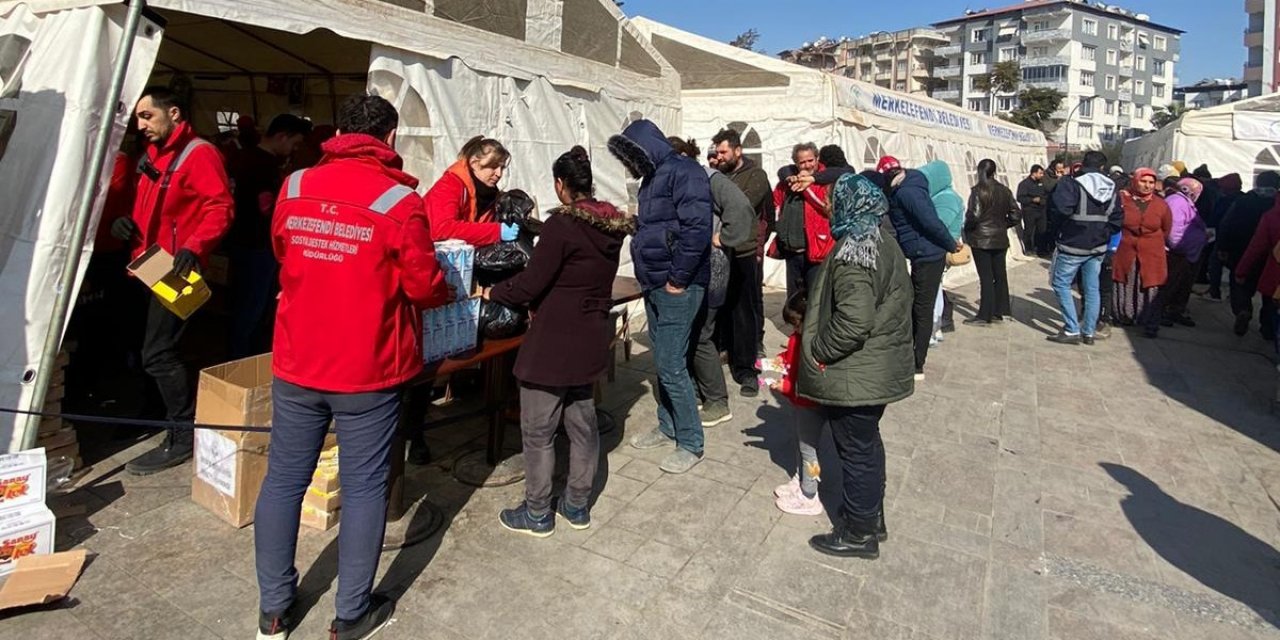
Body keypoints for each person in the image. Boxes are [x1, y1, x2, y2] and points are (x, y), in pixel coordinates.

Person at [254, 94, 452, 640]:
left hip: (297, 360)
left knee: (283, 480)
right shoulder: (399, 202)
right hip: (369, 368)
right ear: (389, 139)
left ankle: (274, 608)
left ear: (340, 132)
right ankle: (350, 612)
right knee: (365, 487)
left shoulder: (294, 186)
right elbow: (423, 285)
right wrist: (444, 287)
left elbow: (282, 251)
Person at [487, 146, 633, 537]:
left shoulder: (562, 227)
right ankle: (576, 505)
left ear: (559, 185)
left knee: (538, 431)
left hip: (553, 340)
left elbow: (532, 284)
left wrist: (494, 293)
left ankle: (537, 512)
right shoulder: (609, 227)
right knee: (582, 425)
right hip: (589, 335)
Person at [110, 87, 234, 475]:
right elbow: (145, 203)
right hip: (145, 262)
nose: (140, 124)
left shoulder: (199, 154)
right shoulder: (152, 155)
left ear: (174, 113)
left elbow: (221, 207)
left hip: (175, 269)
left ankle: (182, 434)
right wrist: (123, 222)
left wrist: (196, 247)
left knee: (159, 352)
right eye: (138, 118)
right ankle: (152, 413)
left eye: (147, 116)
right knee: (144, 346)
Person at [797, 174, 914, 559]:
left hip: (856, 372)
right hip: (874, 368)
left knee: (856, 450)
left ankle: (860, 533)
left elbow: (854, 321)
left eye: (834, 200)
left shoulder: (855, 251)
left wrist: (818, 352)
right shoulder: (882, 240)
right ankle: (869, 519)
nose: (830, 206)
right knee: (866, 444)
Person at [610, 119, 712, 474]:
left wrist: (678, 279)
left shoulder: (686, 172)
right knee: (664, 361)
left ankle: (690, 441)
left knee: (671, 365)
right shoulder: (652, 179)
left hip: (677, 284)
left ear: (647, 147)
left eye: (632, 155)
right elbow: (661, 225)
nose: (630, 165)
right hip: (655, 281)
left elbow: (698, 228)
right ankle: (668, 425)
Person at [669, 137, 753, 428]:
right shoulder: (682, 180)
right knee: (693, 330)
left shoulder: (709, 178)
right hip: (691, 267)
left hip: (711, 266)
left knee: (703, 331)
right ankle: (697, 391)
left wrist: (724, 238)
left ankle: (717, 401)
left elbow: (741, 208)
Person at [225, 113, 313, 359]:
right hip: (258, 244)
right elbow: (268, 209)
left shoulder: (241, 158)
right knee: (252, 309)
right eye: (294, 143)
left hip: (239, 240)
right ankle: (243, 361)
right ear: (282, 136)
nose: (294, 150)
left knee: (242, 305)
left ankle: (240, 356)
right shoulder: (264, 165)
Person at [878, 155, 960, 380]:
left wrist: (950, 244)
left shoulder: (907, 192)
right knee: (918, 303)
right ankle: (914, 352)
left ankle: (916, 363)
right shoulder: (910, 186)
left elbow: (930, 222)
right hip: (922, 252)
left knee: (922, 307)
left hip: (927, 253)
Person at [713, 128, 773, 394]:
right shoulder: (717, 174)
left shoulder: (755, 175)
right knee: (719, 307)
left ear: (738, 150)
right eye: (717, 152)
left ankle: (746, 368)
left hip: (743, 251)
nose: (720, 156)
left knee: (744, 312)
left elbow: (740, 207)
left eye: (724, 151)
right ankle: (723, 349)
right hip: (718, 254)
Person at [1046, 150, 1122, 346]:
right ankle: (1088, 331)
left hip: (1072, 244)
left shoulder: (1071, 184)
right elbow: (1117, 220)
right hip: (1098, 246)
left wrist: (1058, 233)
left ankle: (1071, 329)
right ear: (1103, 167)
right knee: (1092, 288)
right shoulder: (1112, 188)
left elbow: (1060, 211)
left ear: (1082, 164)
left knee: (1060, 284)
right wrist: (1102, 233)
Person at [770, 292, 824, 516]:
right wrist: (780, 360)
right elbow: (790, 354)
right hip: (799, 402)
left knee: (810, 451)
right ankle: (801, 478)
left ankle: (810, 495)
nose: (793, 329)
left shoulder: (814, 346)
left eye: (795, 324)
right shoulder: (798, 337)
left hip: (808, 403)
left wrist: (786, 387)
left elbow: (812, 383)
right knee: (801, 445)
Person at [424, 135, 520, 246]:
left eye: (502, 168)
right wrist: (496, 231)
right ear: (474, 163)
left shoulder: (491, 196)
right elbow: (442, 229)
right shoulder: (450, 185)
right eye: (493, 166)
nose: (499, 174)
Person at [1219, 171, 1280, 337]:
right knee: (1270, 292)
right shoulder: (1275, 205)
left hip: (1240, 249)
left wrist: (1222, 247)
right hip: (1271, 258)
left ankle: (1243, 309)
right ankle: (1267, 327)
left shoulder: (1244, 201)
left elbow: (1227, 224)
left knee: (1240, 284)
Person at [1112, 168, 1172, 327]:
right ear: (1135, 181)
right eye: (1143, 181)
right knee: (1127, 279)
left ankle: (1148, 320)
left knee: (1150, 283)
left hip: (1152, 252)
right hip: (1126, 250)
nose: (1147, 185)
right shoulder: (1122, 199)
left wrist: (1152, 242)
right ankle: (1125, 315)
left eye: (1151, 182)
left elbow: (1166, 228)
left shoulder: (1161, 204)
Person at [772, 142, 832, 300]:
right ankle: (797, 324)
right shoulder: (787, 183)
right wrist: (780, 227)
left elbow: (827, 208)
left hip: (817, 247)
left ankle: (814, 325)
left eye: (810, 160)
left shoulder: (826, 182)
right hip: (792, 248)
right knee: (794, 295)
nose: (807, 165)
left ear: (817, 159)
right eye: (802, 162)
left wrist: (807, 187)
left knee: (815, 295)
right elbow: (775, 204)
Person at [963, 159, 1019, 326]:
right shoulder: (1005, 191)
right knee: (1000, 274)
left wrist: (969, 229)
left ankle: (984, 314)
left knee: (986, 277)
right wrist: (1003, 225)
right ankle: (999, 311)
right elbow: (1016, 215)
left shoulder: (978, 191)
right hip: (1000, 238)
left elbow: (974, 215)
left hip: (981, 239)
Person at [1150, 178, 1208, 334]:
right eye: (1195, 191)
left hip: (1185, 253)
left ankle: (1172, 311)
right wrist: (1180, 247)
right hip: (1177, 253)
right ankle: (1159, 314)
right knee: (1168, 286)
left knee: (1178, 285)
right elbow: (1175, 232)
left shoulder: (1183, 201)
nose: (1197, 195)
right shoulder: (1177, 202)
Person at [919, 160, 964, 337]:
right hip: (939, 248)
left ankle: (934, 327)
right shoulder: (940, 196)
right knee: (935, 288)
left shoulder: (947, 198)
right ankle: (935, 327)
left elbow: (938, 226)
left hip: (940, 249)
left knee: (933, 290)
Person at [1235, 198, 1280, 343]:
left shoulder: (1272, 216)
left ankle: (1268, 330)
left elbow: (1257, 247)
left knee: (1271, 304)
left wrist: (1241, 270)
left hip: (1275, 272)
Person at [1205, 173, 1243, 301]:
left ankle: (1214, 291)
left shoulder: (1225, 200)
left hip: (1222, 235)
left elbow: (1217, 218)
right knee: (1236, 267)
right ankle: (1235, 295)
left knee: (1215, 263)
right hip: (1240, 238)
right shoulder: (1244, 199)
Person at [1017, 165, 1050, 258]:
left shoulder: (1042, 183)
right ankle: (1028, 249)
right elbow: (1020, 198)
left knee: (1042, 230)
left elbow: (1046, 193)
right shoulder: (1024, 184)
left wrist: (1044, 200)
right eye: (1040, 173)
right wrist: (1032, 200)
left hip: (1041, 210)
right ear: (1034, 173)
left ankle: (1041, 249)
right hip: (1029, 211)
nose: (1042, 175)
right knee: (1029, 231)